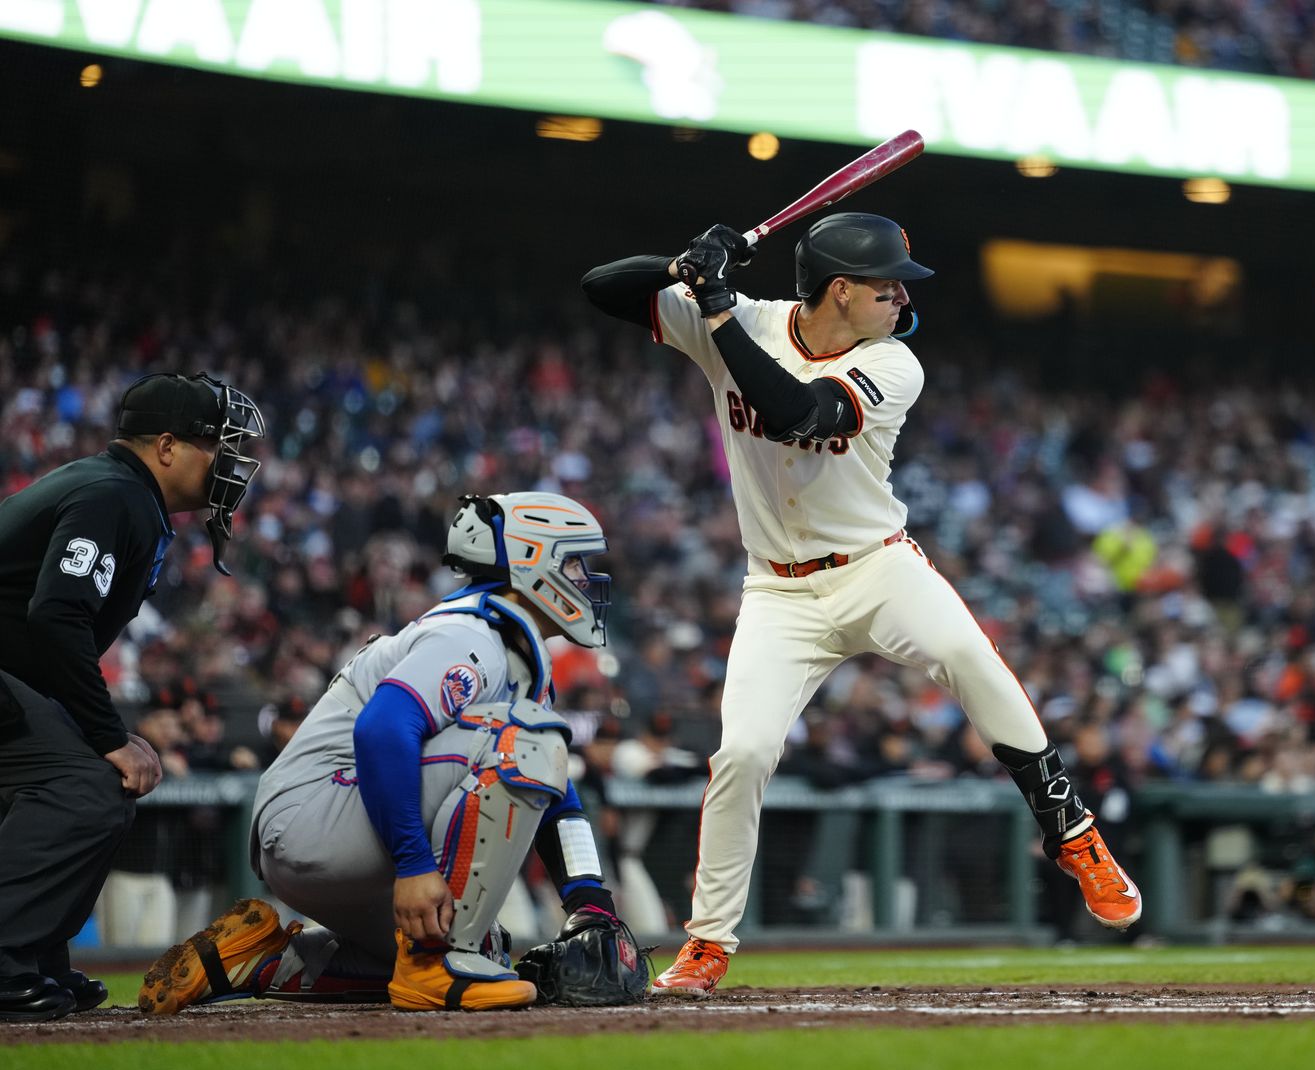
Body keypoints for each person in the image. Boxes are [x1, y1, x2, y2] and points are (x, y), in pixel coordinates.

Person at [582, 213, 1142, 998]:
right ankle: (708, 944)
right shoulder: (744, 318)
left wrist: (712, 306)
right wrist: (683, 262)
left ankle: (1072, 833)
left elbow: (797, 413)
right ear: (840, 290)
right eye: (886, 287)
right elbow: (600, 287)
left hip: (876, 567)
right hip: (777, 588)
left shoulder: (892, 360)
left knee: (966, 654)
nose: (901, 299)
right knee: (740, 753)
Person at [139, 493, 645, 1013]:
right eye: (575, 562)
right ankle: (432, 964)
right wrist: (414, 865)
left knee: (486, 943)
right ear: (531, 561)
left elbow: (559, 791)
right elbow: (382, 731)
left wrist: (590, 903)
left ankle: (257, 959)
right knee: (527, 744)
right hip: (319, 813)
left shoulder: (503, 647)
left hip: (331, 826)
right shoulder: (470, 635)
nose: (585, 578)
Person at [0, 371, 263, 1022]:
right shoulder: (114, 493)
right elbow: (58, 615)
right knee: (90, 788)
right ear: (167, 446)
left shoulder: (117, 489)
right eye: (217, 446)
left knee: (71, 780)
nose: (229, 464)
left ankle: (30, 958)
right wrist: (111, 736)